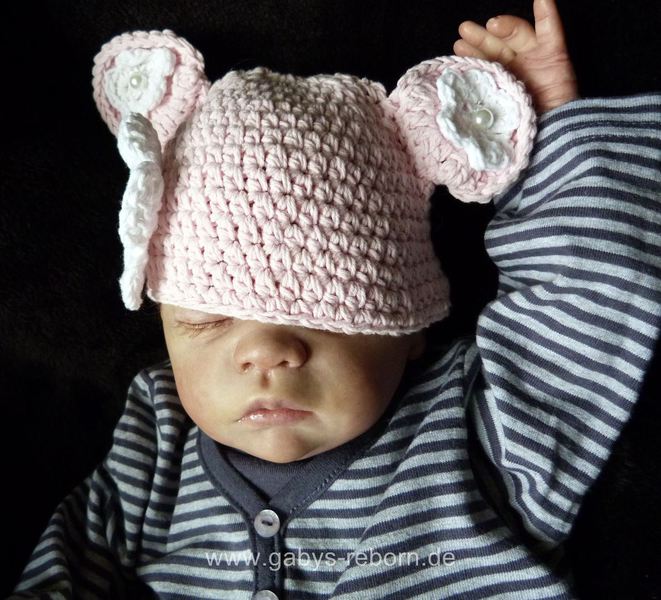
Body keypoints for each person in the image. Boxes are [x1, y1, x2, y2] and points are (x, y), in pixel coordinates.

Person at [11, 0, 660, 598]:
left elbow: (590, 292)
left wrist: (560, 132)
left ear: (411, 327)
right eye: (206, 318)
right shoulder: (155, 448)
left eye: (327, 312)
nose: (266, 351)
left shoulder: (482, 438)